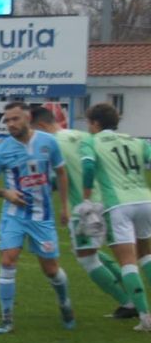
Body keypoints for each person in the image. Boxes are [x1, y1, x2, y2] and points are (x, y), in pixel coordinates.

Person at [30, 106, 134, 318]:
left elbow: (53, 179)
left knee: (86, 258)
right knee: (100, 252)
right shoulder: (83, 135)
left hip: (83, 206)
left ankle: (128, 303)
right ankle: (132, 294)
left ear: (40, 126)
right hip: (110, 201)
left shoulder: (50, 145)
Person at [0, 102, 74, 334]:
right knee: (7, 261)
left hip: (42, 216)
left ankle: (65, 303)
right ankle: (7, 319)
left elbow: (62, 173)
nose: (10, 124)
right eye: (7, 121)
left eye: (15, 119)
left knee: (51, 269)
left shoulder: (48, 142)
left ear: (28, 117)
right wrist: (6, 193)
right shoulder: (2, 150)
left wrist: (65, 207)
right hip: (14, 215)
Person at [81, 103, 151, 331]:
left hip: (118, 205)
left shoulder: (91, 142)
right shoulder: (136, 141)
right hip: (144, 200)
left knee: (127, 261)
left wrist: (87, 194)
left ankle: (144, 317)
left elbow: (89, 168)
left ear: (95, 123)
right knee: (146, 256)